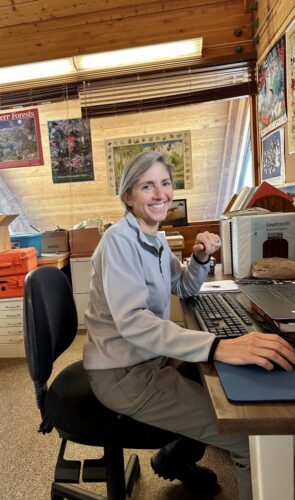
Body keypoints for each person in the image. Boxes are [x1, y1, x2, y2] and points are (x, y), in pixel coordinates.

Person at [82, 151, 295, 500]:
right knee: (247, 438)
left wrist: (198, 258)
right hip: (122, 372)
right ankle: (184, 456)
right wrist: (220, 345)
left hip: (147, 358)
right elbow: (134, 322)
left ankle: (172, 459)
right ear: (128, 197)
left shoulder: (153, 237)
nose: (160, 194)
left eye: (165, 183)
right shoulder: (119, 242)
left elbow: (181, 287)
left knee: (213, 379)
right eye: (147, 186)